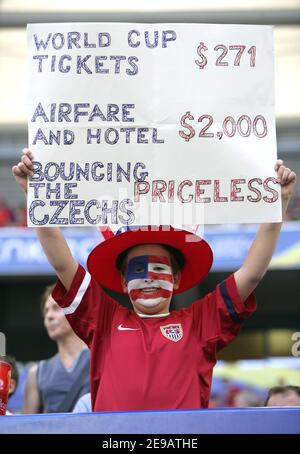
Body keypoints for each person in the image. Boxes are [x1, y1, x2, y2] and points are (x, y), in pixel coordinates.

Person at [13, 148, 297, 412]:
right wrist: (33, 194)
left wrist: (278, 203)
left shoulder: (201, 321)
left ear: (176, 279)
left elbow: (252, 274)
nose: (148, 277)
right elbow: (62, 262)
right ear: (123, 282)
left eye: (159, 268)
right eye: (137, 270)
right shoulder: (105, 320)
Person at [23, 284, 90, 413]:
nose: (49, 316)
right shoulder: (37, 373)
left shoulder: (103, 360)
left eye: (56, 308)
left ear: (75, 311)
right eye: (46, 311)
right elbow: (27, 426)